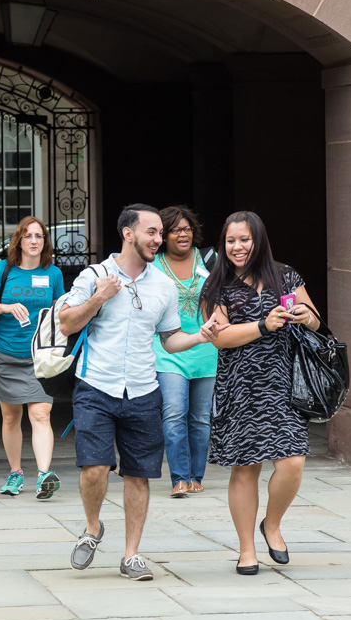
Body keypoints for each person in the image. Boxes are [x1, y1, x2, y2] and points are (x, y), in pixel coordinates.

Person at [59, 203, 227, 581]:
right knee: (94, 468)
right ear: (128, 233)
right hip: (96, 386)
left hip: (144, 390)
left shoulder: (162, 286)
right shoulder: (95, 275)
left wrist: (201, 334)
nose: (158, 239)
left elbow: (168, 340)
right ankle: (92, 527)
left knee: (139, 475)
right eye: (151, 232)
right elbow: (66, 323)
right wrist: (99, 296)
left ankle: (131, 555)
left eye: (159, 233)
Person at [199, 211, 321, 575]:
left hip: (284, 384)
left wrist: (303, 314)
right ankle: (246, 549)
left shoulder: (286, 276)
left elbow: (315, 318)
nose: (237, 247)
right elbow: (219, 338)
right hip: (240, 387)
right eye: (231, 241)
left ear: (259, 240)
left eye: (244, 240)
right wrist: (263, 326)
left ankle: (272, 523)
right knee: (245, 469)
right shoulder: (216, 286)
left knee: (292, 462)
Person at [0, 216, 66, 499]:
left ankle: (43, 476)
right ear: (19, 241)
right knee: (11, 416)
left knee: (41, 412)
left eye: (39, 236)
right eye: (28, 236)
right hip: (5, 354)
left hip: (40, 356)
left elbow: (62, 309)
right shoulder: (3, 269)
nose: (34, 241)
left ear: (45, 242)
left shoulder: (53, 274)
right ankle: (15, 473)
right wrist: (6, 306)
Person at [152, 206, 217, 498]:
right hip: (168, 349)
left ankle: (195, 475)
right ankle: (179, 477)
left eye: (188, 228)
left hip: (205, 347)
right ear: (164, 235)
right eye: (176, 229)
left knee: (201, 417)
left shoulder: (210, 260)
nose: (183, 234)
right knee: (175, 412)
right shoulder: (152, 264)